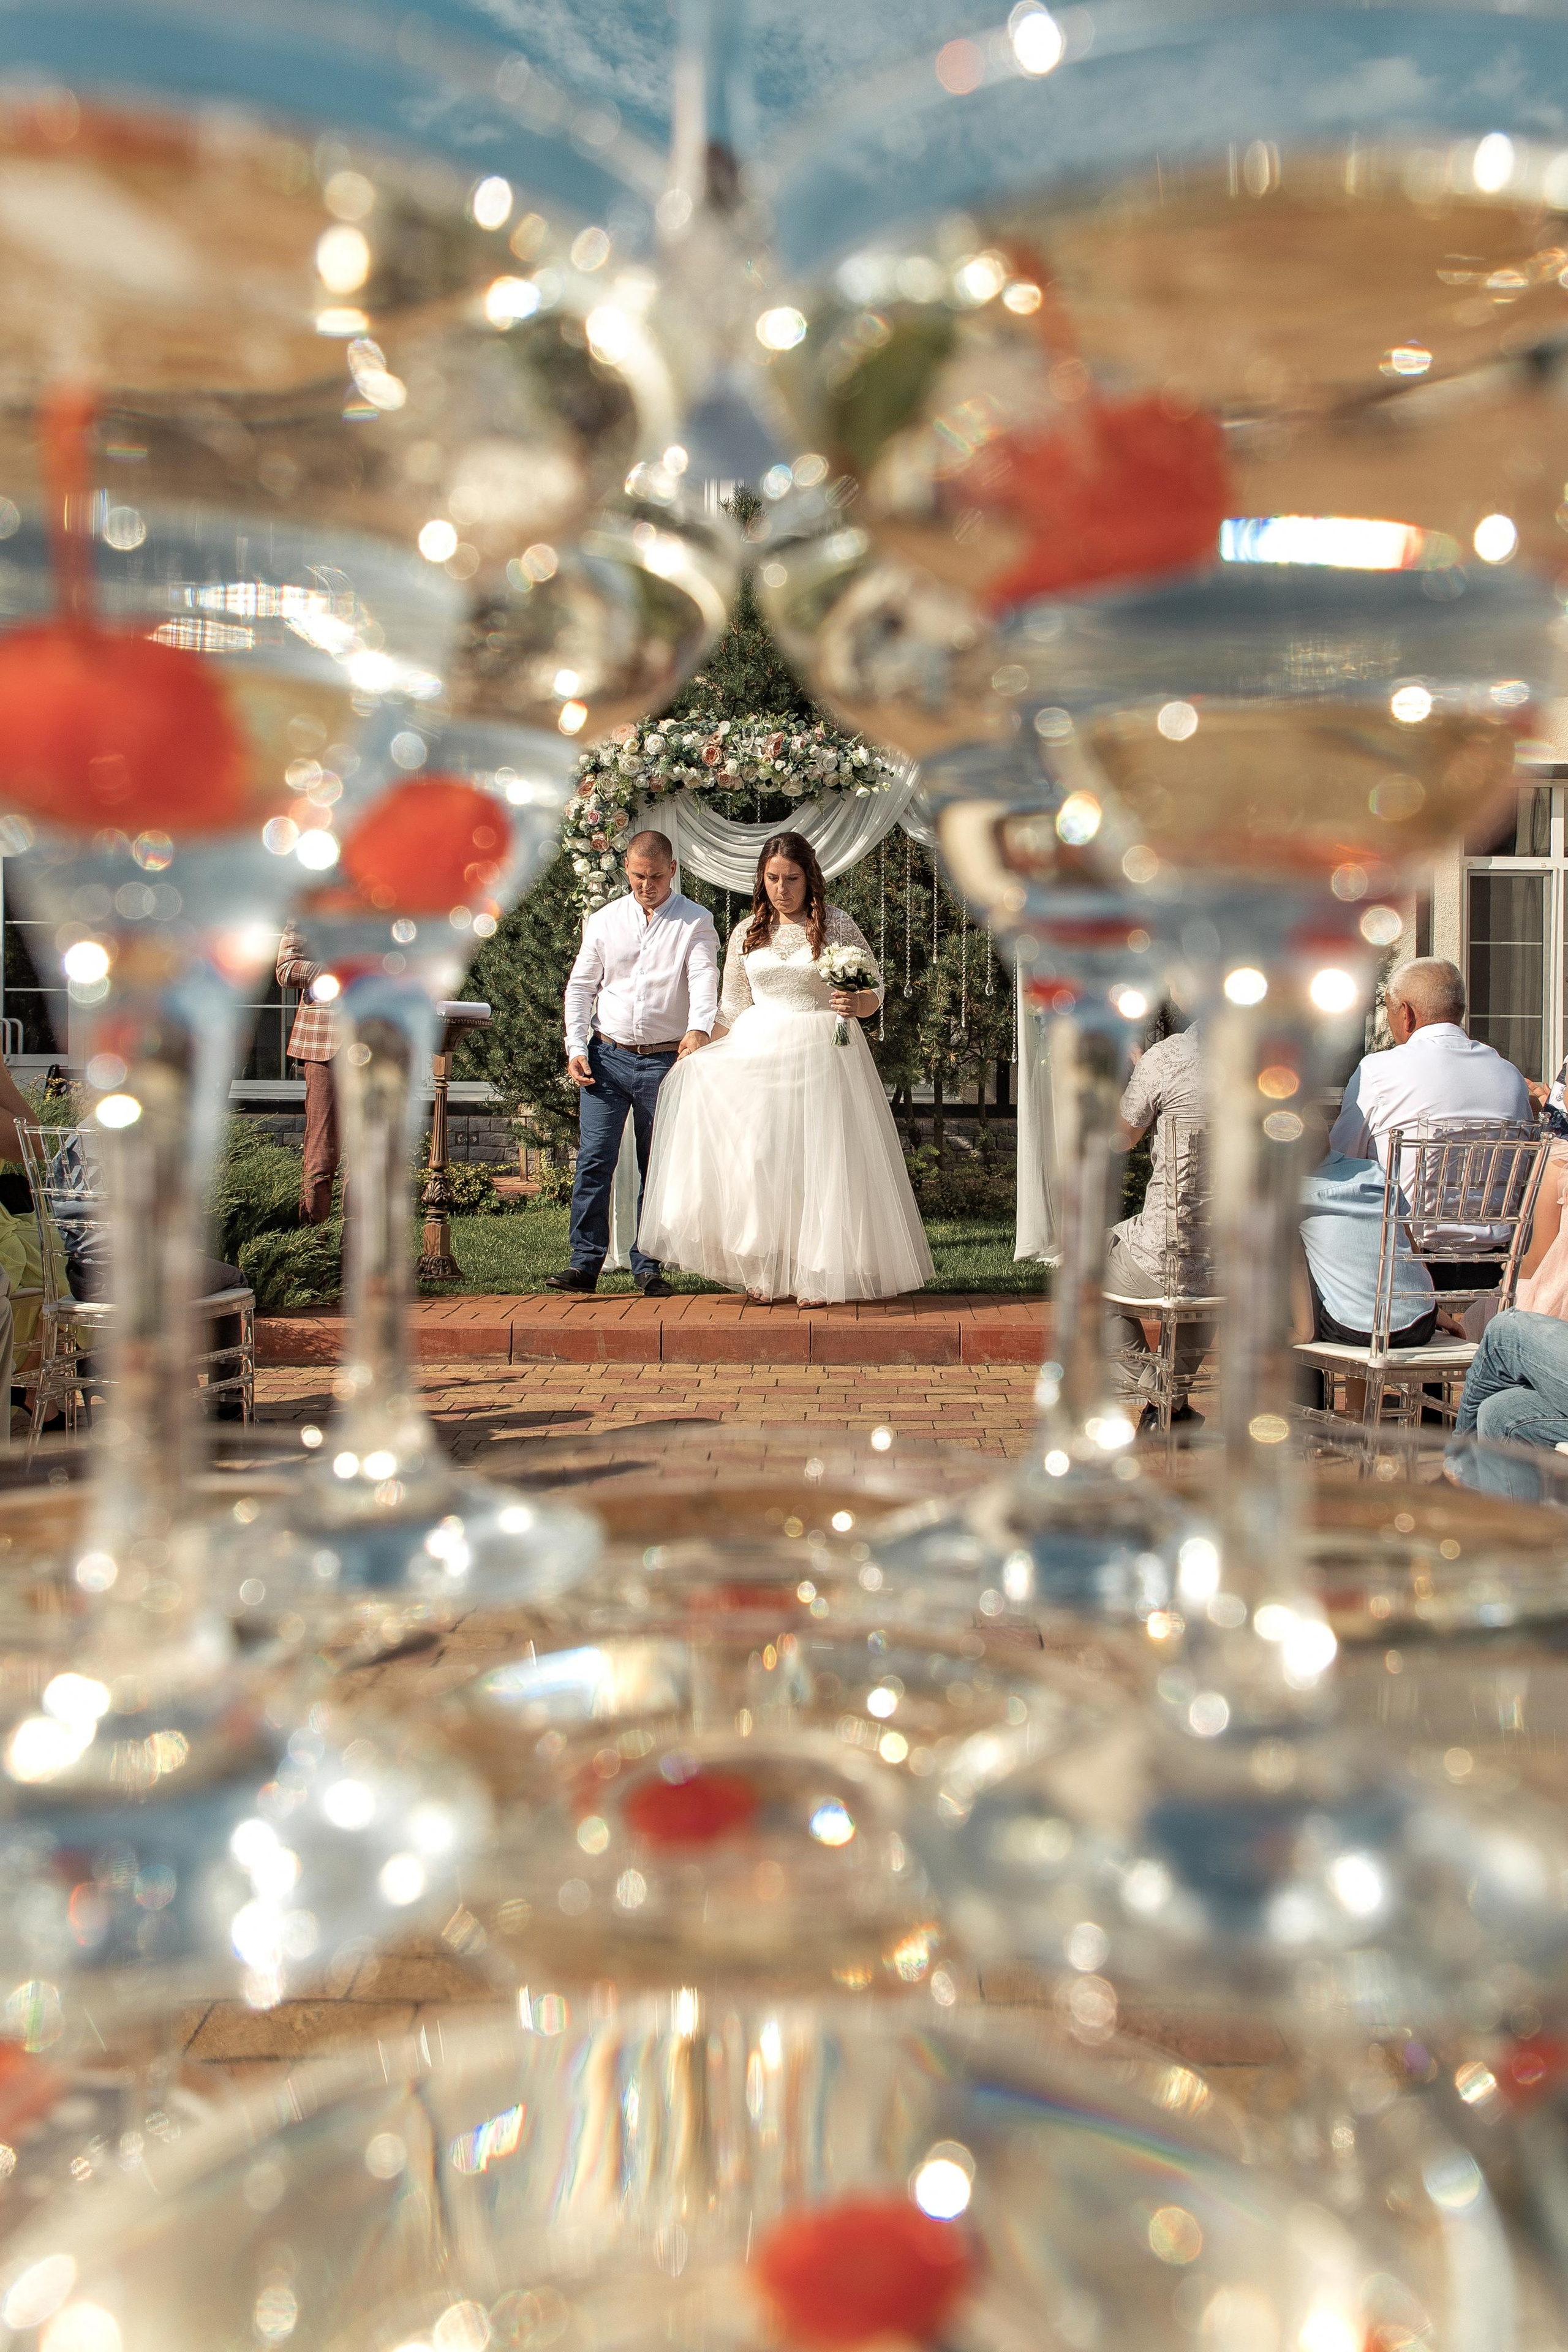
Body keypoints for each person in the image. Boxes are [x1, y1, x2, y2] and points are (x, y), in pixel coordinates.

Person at [636, 832, 933, 1305]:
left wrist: (858, 1002)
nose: (782, 889)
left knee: (817, 1162)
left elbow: (875, 989)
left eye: (791, 879)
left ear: (809, 878)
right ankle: (766, 1265)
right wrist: (699, 1040)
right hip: (760, 1053)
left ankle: (819, 1272)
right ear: (762, 879)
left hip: (821, 1053)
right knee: (761, 1159)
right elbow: (731, 1009)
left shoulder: (835, 925)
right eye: (773, 878)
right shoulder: (747, 931)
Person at [551, 831, 719, 1299]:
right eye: (638, 876)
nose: (647, 885)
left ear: (674, 871)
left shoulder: (696, 921)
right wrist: (576, 1045)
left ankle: (648, 1264)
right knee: (594, 1161)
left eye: (656, 877)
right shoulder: (604, 921)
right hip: (606, 1055)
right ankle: (584, 1264)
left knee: (656, 1164)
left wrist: (699, 1027)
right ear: (626, 869)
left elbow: (705, 980)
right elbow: (581, 987)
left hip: (665, 1060)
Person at [1103, 1016, 1210, 1431]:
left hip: (1167, 1253)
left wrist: (1139, 1068)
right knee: (1207, 1278)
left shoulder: (1168, 1057)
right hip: (1239, 1263)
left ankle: (1162, 1397)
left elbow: (1123, 1136)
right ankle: (1171, 1408)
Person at [1329, 957, 1531, 1165]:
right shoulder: (1509, 1074)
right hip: (1503, 1199)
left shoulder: (1377, 1070)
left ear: (1406, 1014)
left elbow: (1340, 1159)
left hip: (1400, 1198)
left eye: (1389, 1010)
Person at [1293, 1152, 1438, 1407]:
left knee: (1291, 1287)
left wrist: (1303, 1331)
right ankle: (1360, 1413)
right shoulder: (1373, 1170)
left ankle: (1314, 1418)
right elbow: (1406, 1238)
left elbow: (1292, 1262)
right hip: (1421, 1323)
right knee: (1356, 1274)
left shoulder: (1287, 1190)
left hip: (1356, 1331)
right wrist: (1434, 1304)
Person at [277, 922, 342, 1226]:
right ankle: (312, 1260)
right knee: (321, 1154)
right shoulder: (313, 901)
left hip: (376, 1039)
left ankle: (354, 1264)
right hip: (324, 1043)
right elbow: (287, 970)